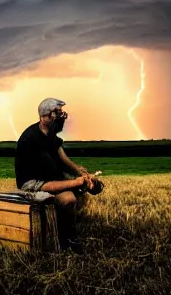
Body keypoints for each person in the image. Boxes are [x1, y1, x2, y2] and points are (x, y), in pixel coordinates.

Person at [14, 97, 104, 252]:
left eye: (61, 113)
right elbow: (43, 181)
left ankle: (69, 221)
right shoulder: (31, 139)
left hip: (50, 177)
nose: (61, 117)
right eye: (56, 113)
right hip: (32, 182)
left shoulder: (51, 135)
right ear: (44, 117)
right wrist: (75, 183)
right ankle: (66, 239)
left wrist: (85, 175)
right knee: (68, 199)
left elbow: (64, 160)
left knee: (79, 190)